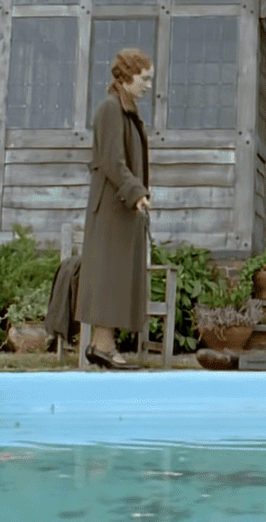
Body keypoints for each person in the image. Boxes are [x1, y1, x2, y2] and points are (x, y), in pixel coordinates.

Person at [78, 48, 154, 369]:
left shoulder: (125, 110)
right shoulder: (111, 109)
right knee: (109, 276)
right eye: (144, 78)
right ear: (126, 76)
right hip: (111, 208)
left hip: (120, 208)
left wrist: (137, 195)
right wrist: (136, 192)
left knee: (116, 277)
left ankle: (103, 346)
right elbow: (112, 161)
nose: (148, 85)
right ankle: (102, 347)